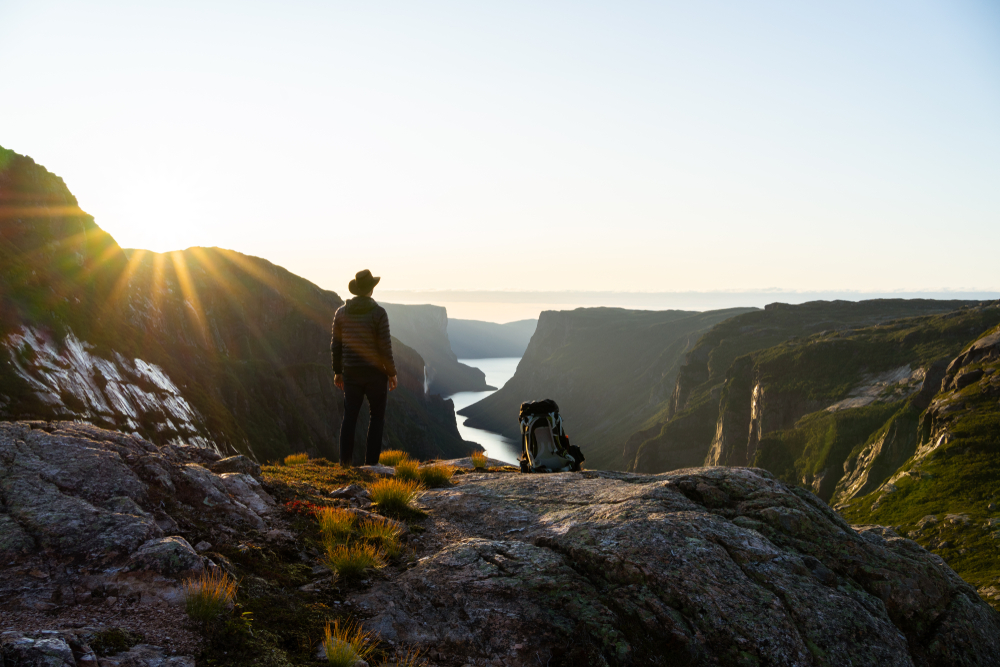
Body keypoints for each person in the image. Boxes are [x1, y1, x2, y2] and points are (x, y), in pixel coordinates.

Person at [331, 269, 398, 466]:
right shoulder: (379, 313)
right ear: (371, 290)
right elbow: (385, 347)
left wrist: (338, 372)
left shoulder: (341, 313)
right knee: (376, 418)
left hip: (351, 373)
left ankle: (345, 463)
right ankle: (371, 465)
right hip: (376, 374)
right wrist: (392, 373)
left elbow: (336, 345)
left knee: (350, 418)